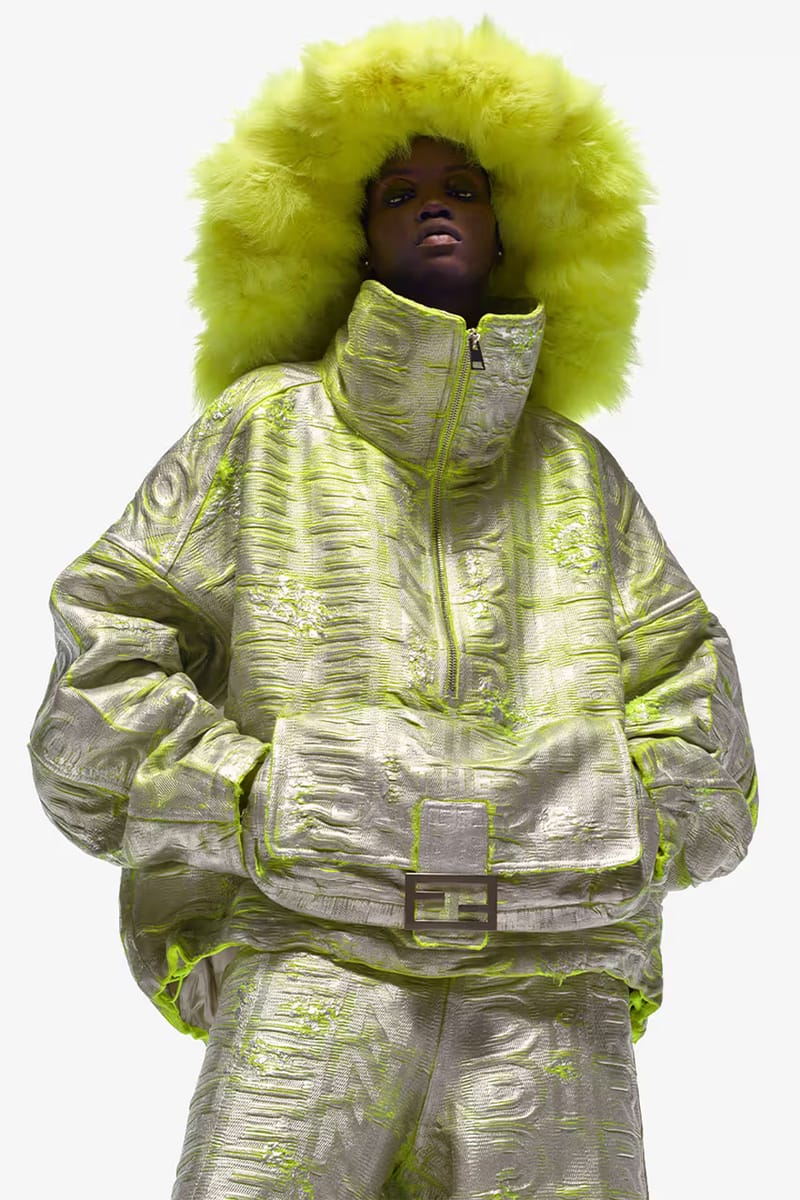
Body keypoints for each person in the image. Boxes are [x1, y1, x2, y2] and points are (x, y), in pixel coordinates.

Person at [29, 19, 757, 1199]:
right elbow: (101, 667)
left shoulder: (575, 473)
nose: (433, 210)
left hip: (550, 984)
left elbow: (696, 714)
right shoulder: (262, 432)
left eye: (461, 188)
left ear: (514, 224)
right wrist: (254, 796)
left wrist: (609, 825)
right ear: (343, 233)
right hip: (307, 960)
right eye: (398, 193)